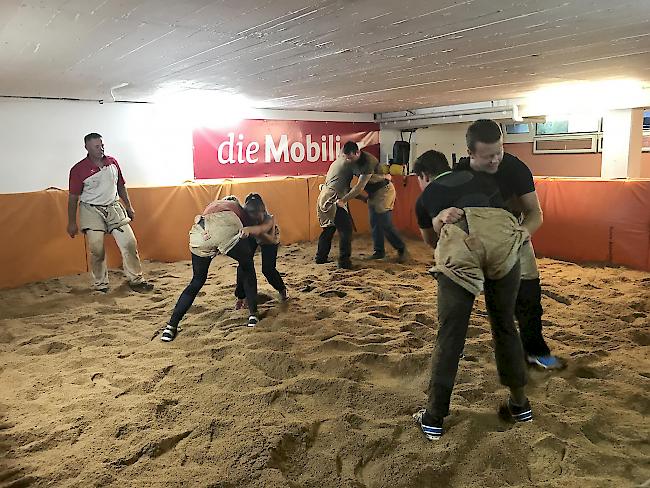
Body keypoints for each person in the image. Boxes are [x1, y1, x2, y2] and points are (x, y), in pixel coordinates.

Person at [412, 150, 533, 440]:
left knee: (451, 334)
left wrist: (441, 219)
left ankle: (434, 418)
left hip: (462, 245)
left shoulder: (426, 196)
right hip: (504, 242)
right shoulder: (479, 178)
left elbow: (431, 242)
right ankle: (520, 405)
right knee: (505, 325)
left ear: (423, 176)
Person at [445, 119, 564, 370]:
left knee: (529, 298)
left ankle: (535, 352)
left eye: (499, 152)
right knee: (458, 299)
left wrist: (521, 235)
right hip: (473, 241)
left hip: (512, 236)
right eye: (488, 156)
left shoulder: (515, 168)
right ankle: (455, 349)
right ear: (470, 153)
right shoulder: (458, 176)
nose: (495, 160)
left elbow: (536, 213)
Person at [160, 196, 273, 341]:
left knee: (197, 280)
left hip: (201, 231)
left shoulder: (214, 205)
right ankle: (253, 315)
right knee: (247, 267)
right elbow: (252, 233)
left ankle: (171, 327)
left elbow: (204, 220)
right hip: (225, 225)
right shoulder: (237, 208)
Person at [67, 133, 153, 292]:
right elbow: (73, 198)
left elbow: (121, 185)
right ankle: (101, 284)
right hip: (90, 209)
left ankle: (136, 279)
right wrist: (71, 222)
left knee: (129, 242)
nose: (101, 149)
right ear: (87, 148)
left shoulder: (112, 162)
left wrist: (128, 206)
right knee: (96, 248)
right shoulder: (78, 169)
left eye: (102, 145)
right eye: (96, 146)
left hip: (113, 206)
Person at [315, 141, 406, 268]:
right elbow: (349, 188)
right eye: (346, 157)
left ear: (357, 153)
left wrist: (348, 200)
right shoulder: (349, 162)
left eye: (350, 157)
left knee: (383, 223)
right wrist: (353, 199)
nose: (348, 159)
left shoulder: (362, 161)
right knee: (348, 228)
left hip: (382, 192)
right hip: (334, 197)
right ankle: (348, 260)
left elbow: (358, 187)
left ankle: (401, 249)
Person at [228, 194, 288, 310]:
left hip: (268, 240)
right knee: (243, 265)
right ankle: (241, 297)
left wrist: (253, 230)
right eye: (251, 216)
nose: (254, 218)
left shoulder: (269, 219)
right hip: (252, 235)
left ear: (263, 211)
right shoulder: (245, 218)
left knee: (268, 269)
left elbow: (268, 238)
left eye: (256, 216)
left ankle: (282, 289)